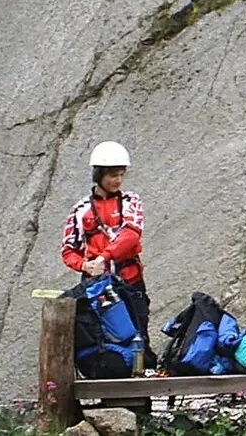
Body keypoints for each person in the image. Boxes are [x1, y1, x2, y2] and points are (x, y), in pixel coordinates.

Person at [61, 141, 154, 363]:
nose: (118, 180)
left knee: (139, 338)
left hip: (130, 284)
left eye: (121, 174)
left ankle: (141, 390)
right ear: (99, 174)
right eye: (113, 175)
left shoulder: (131, 201)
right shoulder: (80, 209)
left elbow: (131, 234)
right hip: (97, 288)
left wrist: (104, 257)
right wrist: (85, 265)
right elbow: (68, 250)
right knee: (104, 339)